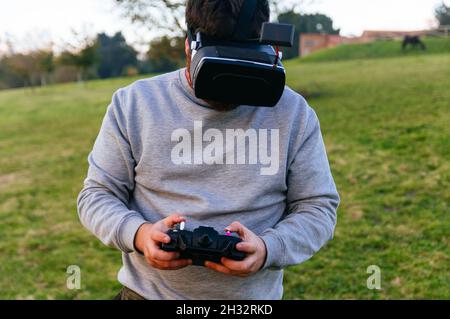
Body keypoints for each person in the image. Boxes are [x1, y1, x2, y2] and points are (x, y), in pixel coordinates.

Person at [77, 0, 340, 300]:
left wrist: (270, 248)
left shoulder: (294, 113)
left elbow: (318, 208)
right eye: (218, 73)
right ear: (189, 46)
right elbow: (96, 195)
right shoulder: (134, 104)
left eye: (243, 71)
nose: (229, 91)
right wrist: (139, 235)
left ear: (271, 49)